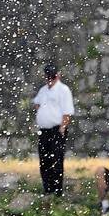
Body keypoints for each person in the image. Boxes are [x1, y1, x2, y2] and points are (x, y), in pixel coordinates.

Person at [31, 63, 75, 194]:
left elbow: (67, 111)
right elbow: (37, 103)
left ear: (58, 76)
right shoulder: (43, 90)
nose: (50, 80)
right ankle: (47, 188)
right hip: (44, 130)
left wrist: (62, 127)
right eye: (48, 77)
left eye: (52, 76)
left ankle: (56, 190)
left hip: (57, 129)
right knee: (44, 160)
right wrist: (44, 114)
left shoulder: (63, 90)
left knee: (56, 160)